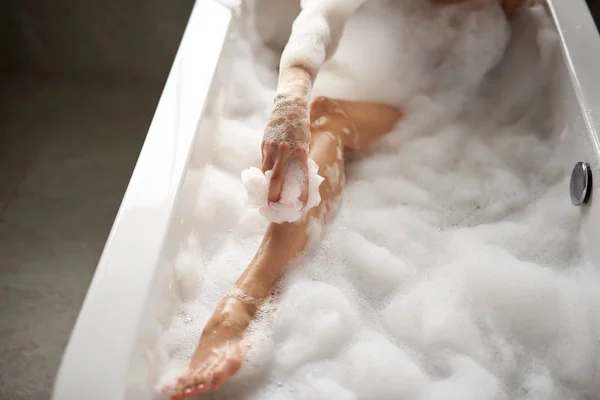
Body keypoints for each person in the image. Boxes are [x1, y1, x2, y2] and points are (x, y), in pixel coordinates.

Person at [167, 0, 528, 398]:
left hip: (423, 111)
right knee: (323, 112)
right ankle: (243, 303)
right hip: (367, 90)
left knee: (329, 115)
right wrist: (290, 98)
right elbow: (317, 19)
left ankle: (242, 306)